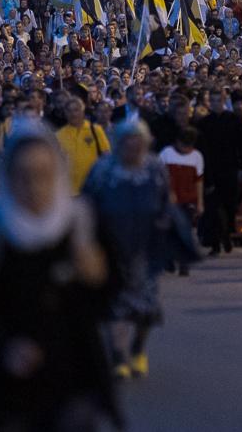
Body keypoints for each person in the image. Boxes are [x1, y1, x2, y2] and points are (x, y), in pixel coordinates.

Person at [0, 121, 119, 432]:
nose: (34, 186)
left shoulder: (80, 225)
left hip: (71, 387)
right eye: (24, 176)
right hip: (8, 395)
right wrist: (5, 348)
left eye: (44, 175)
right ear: (10, 178)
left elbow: (106, 299)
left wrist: (99, 277)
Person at [83, 118, 173, 379]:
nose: (132, 145)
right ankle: (118, 355)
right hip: (111, 248)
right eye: (127, 139)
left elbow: (167, 200)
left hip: (146, 250)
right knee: (116, 305)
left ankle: (138, 348)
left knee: (146, 309)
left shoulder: (155, 168)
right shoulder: (103, 170)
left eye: (138, 140)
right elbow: (87, 203)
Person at [195, 88, 242, 258]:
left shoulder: (234, 120)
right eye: (213, 100)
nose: (216, 104)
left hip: (230, 168)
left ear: (224, 101)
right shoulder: (204, 123)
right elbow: (201, 148)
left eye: (219, 100)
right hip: (211, 169)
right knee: (213, 207)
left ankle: (226, 233)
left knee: (229, 205)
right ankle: (216, 242)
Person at [160, 124, 204, 276]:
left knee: (185, 231)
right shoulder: (166, 153)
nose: (186, 149)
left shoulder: (197, 156)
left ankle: (184, 263)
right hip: (169, 200)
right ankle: (168, 260)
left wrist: (200, 203)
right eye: (183, 145)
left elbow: (198, 180)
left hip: (188, 199)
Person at [55, 96, 108, 194]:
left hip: (94, 190)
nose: (73, 114)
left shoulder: (96, 130)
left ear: (82, 111)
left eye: (76, 110)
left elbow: (106, 157)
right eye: (69, 111)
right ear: (65, 113)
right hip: (69, 191)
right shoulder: (59, 135)